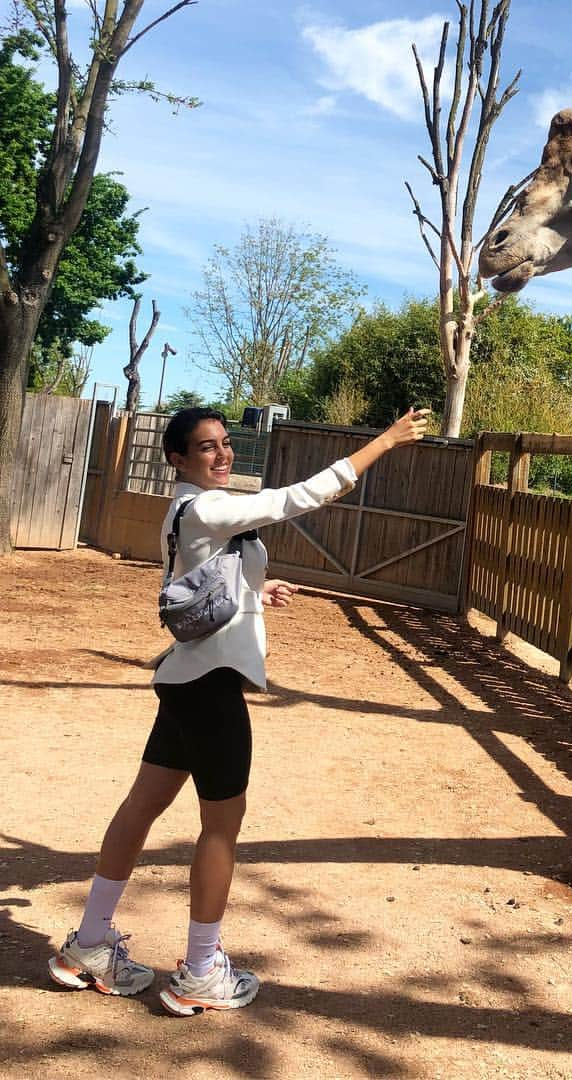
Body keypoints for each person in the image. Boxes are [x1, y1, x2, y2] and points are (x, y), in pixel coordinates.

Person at [48, 405, 429, 1015]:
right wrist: (384, 442)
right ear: (177, 458)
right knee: (220, 826)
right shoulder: (206, 507)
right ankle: (200, 971)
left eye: (225, 444)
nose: (223, 455)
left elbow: (205, 578)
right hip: (211, 689)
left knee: (141, 806)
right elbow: (297, 497)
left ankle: (89, 944)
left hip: (186, 681)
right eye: (206, 448)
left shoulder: (190, 511)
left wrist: (256, 592)